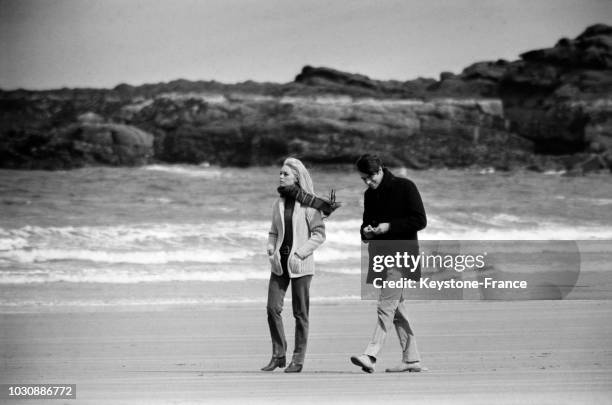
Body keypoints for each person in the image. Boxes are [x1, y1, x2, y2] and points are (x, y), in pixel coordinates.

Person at [350, 154, 427, 373]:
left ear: (381, 169)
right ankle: (411, 359)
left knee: (385, 306)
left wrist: (388, 227)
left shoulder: (405, 187)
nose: (368, 182)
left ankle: (370, 355)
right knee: (397, 308)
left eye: (370, 176)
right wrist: (365, 232)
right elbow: (366, 223)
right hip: (381, 257)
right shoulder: (369, 195)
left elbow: (420, 220)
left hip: (401, 257)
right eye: (363, 178)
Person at [262, 157, 336, 373]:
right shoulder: (279, 203)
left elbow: (319, 235)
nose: (280, 176)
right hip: (279, 265)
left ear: (296, 176)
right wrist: (270, 246)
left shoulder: (310, 205)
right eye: (280, 173)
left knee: (300, 313)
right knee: (272, 309)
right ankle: (278, 354)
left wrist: (300, 254)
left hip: (300, 266)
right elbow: (274, 231)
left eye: (285, 174)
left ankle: (298, 359)